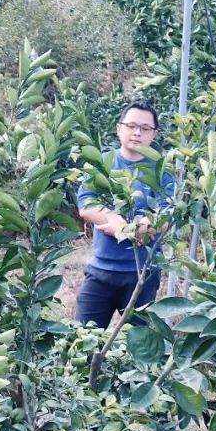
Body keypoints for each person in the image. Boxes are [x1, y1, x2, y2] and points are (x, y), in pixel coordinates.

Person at [76, 99, 176, 328]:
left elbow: (163, 218)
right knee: (83, 338)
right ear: (119, 128)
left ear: (154, 134)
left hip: (141, 273)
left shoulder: (161, 171)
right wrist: (117, 222)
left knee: (138, 342)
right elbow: (86, 204)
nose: (137, 133)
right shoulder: (102, 163)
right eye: (131, 126)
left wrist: (124, 229)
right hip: (100, 270)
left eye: (145, 128)